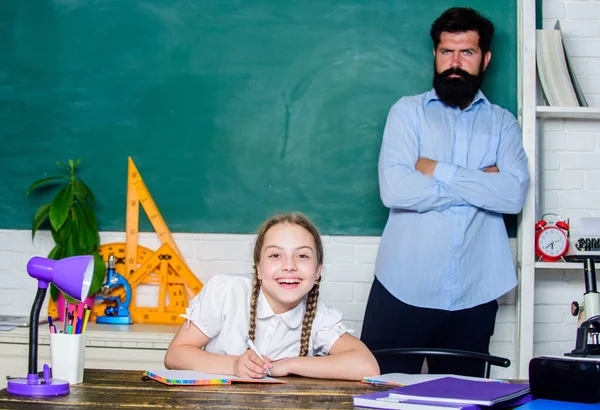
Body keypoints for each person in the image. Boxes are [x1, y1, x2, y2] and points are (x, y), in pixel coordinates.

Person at [360, 7, 529, 377]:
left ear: (485, 58)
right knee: (378, 395)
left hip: (477, 290)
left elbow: (512, 196)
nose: (454, 62)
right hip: (401, 287)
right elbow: (395, 189)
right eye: (445, 52)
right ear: (435, 55)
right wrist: (480, 183)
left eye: (466, 52)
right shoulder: (406, 114)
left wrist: (438, 170)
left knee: (462, 400)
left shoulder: (503, 124)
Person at [165, 212, 380, 381]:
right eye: (275, 255)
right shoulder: (226, 292)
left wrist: (288, 364)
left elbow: (366, 365)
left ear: (317, 272)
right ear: (258, 268)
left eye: (302, 256)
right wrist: (234, 366)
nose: (289, 266)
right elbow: (175, 355)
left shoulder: (319, 316)